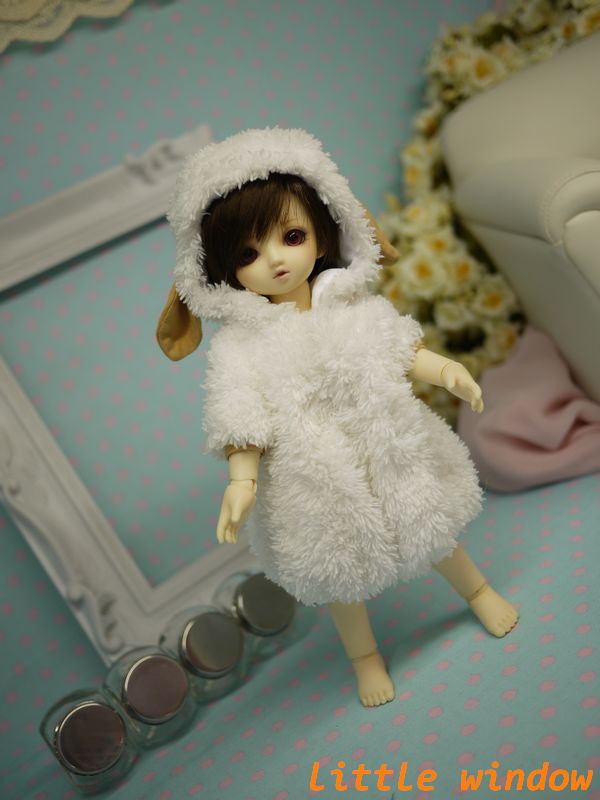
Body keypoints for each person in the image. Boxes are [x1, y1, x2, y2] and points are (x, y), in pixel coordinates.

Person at [158, 128, 519, 707]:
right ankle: (365, 658)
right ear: (222, 271)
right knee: (341, 572)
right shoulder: (240, 347)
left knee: (431, 528)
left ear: (325, 229)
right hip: (314, 475)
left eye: (291, 236)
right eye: (248, 254)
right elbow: (238, 411)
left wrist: (446, 369)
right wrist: (241, 479)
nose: (275, 260)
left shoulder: (351, 306)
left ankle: (478, 593)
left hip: (386, 441)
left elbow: (397, 349)